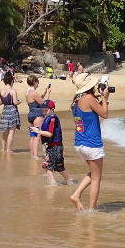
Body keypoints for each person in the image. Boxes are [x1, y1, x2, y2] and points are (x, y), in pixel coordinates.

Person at [69, 72, 110, 211]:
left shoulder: (76, 99)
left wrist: (102, 99)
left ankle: (76, 194)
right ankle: (92, 210)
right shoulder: (88, 98)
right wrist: (104, 98)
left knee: (94, 173)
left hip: (80, 142)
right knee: (97, 178)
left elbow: (90, 112)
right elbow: (104, 114)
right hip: (92, 143)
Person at [34, 100, 74, 186]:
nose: (44, 112)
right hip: (51, 146)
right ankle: (65, 181)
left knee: (53, 166)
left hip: (55, 146)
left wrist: (38, 131)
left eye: (46, 110)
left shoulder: (52, 119)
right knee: (52, 166)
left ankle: (54, 183)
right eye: (43, 111)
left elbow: (50, 134)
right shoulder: (48, 119)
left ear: (52, 110)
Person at [25, 75, 51, 159]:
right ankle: (35, 156)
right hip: (37, 115)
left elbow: (38, 100)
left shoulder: (28, 92)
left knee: (32, 135)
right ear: (34, 82)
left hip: (31, 114)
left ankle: (32, 154)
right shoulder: (34, 93)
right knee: (37, 135)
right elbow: (44, 103)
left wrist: (44, 92)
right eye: (37, 82)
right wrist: (48, 93)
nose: (38, 84)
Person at [0, 71, 20, 152]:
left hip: (5, 111)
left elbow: (0, 103)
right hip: (12, 111)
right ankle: (8, 149)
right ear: (11, 81)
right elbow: (15, 102)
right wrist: (19, 102)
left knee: (4, 132)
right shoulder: (13, 91)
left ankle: (3, 148)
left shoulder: (1, 91)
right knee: (11, 132)